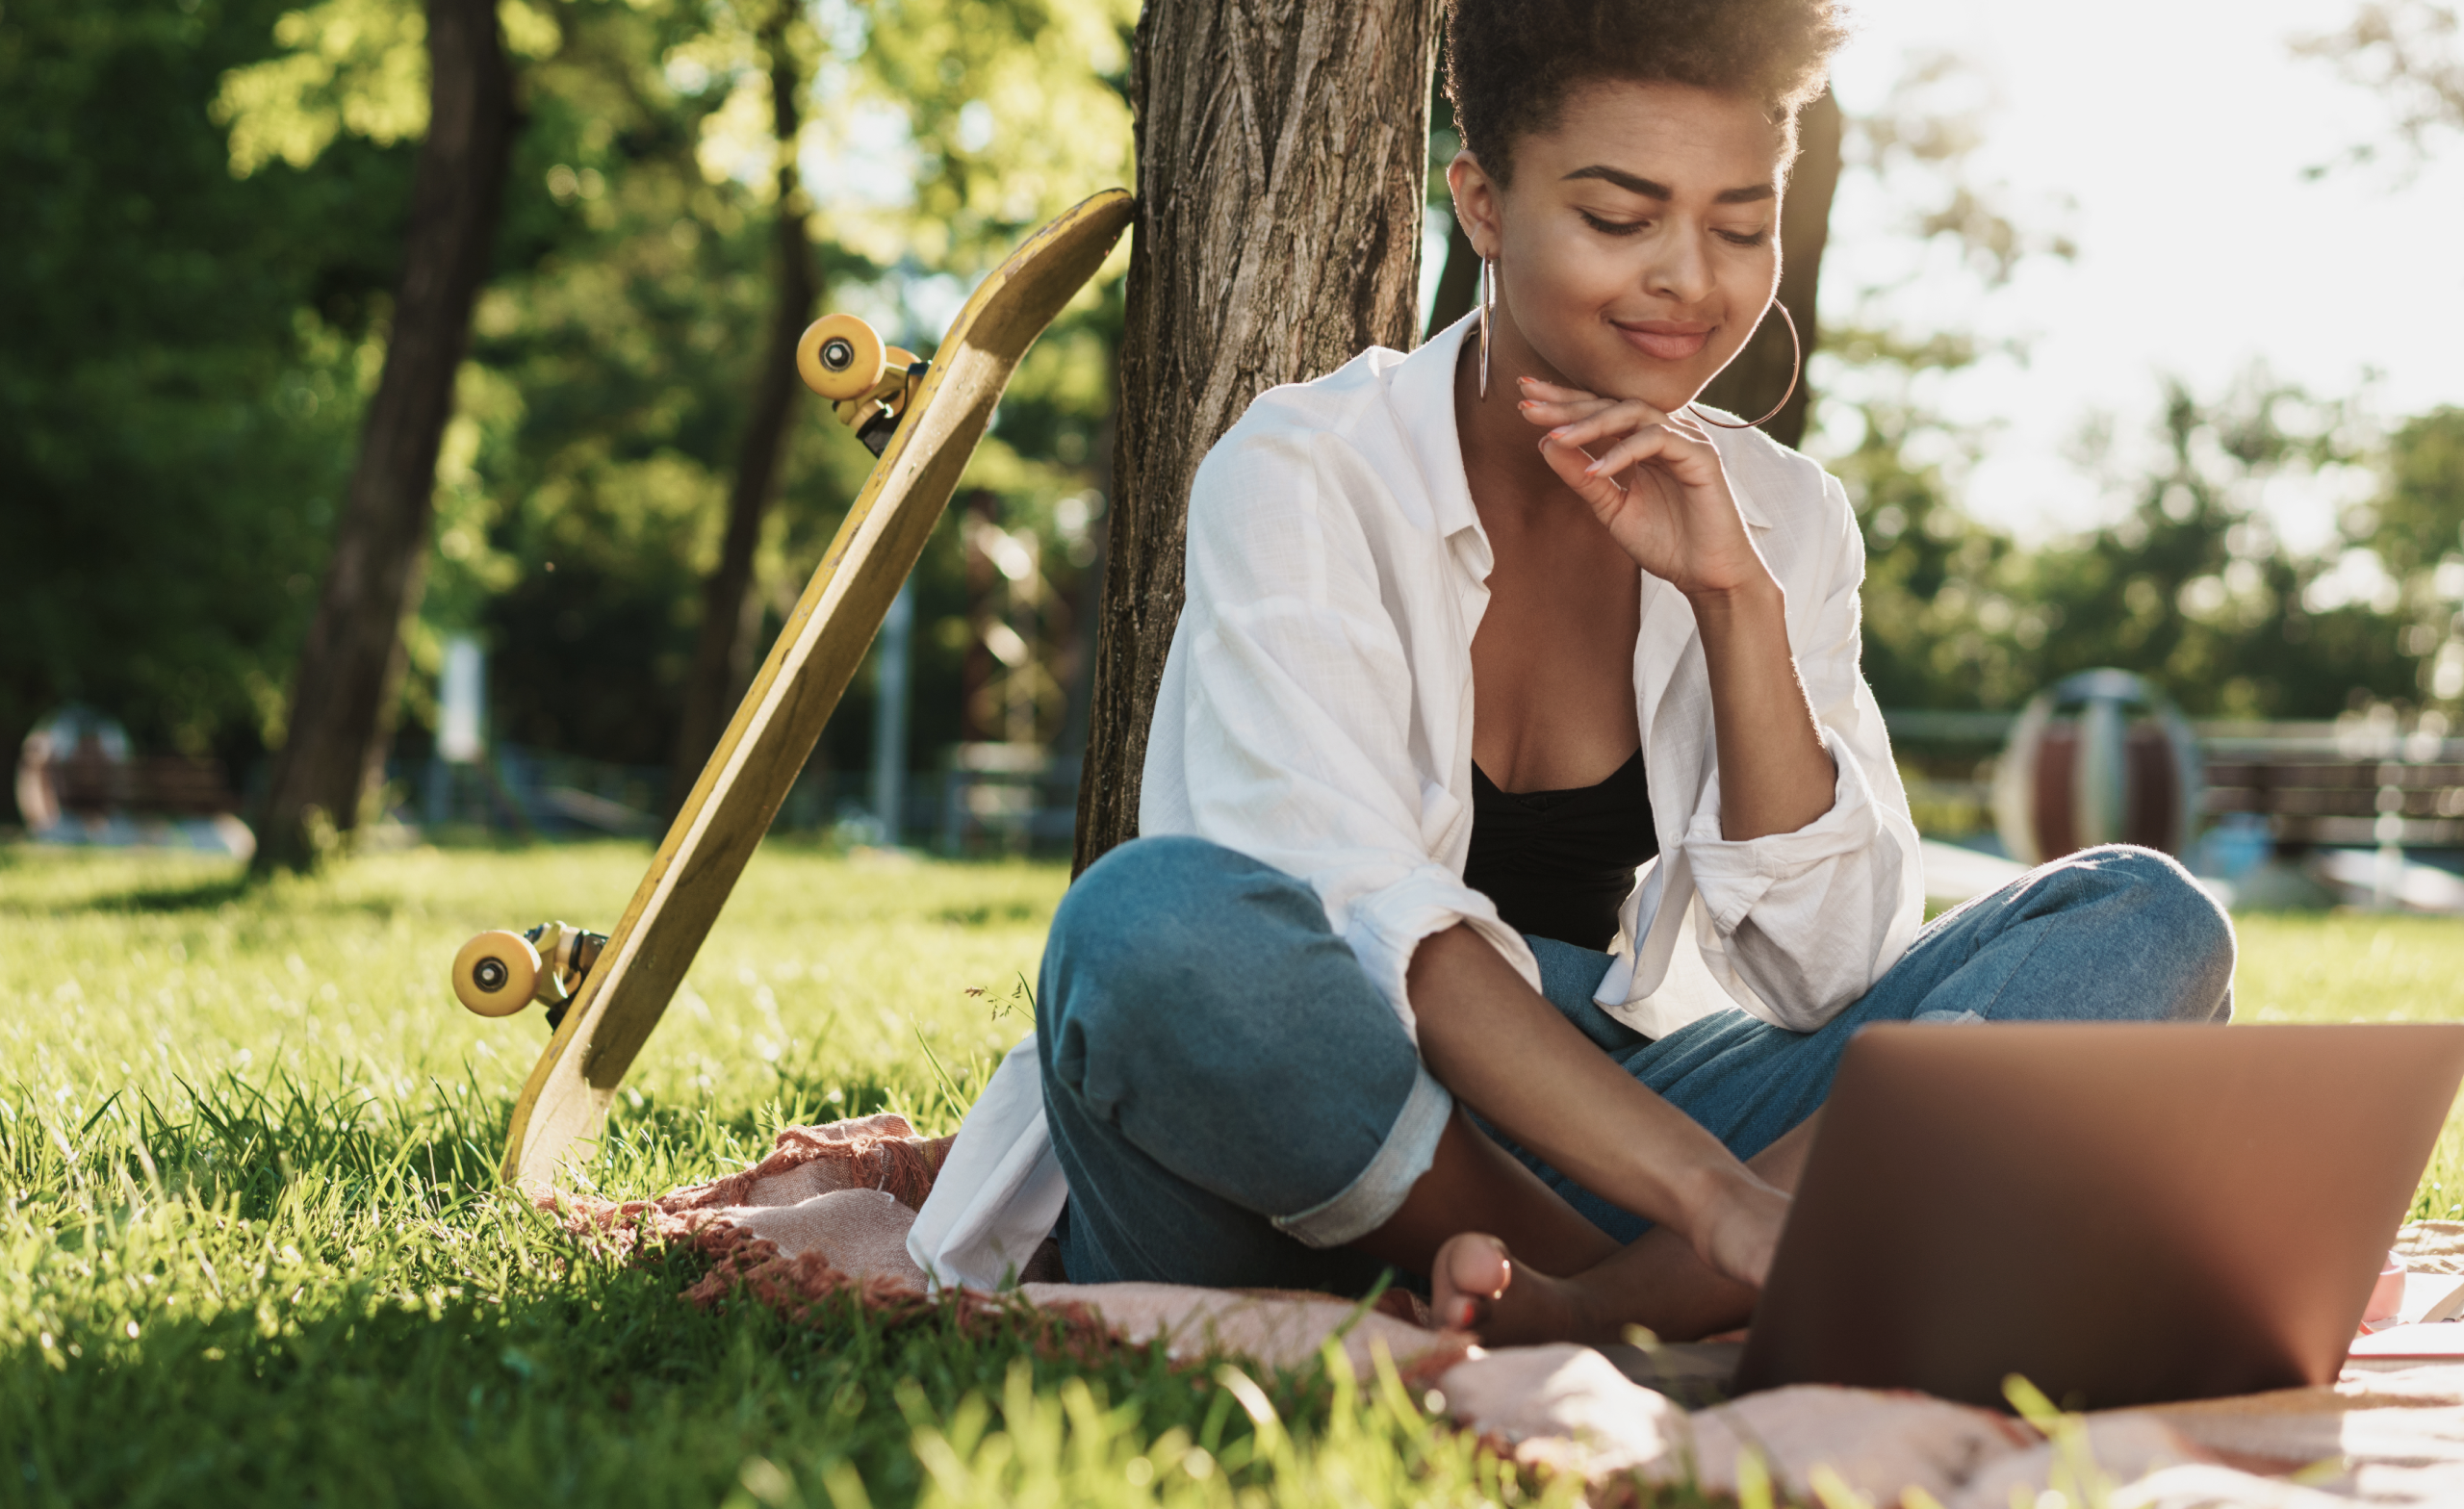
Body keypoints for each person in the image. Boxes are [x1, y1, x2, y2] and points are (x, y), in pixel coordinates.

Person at [908, 0, 2236, 1346]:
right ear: (1481, 203)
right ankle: (1682, 1298)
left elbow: (1829, 980)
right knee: (1146, 932)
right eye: (1619, 219)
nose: (1690, 280)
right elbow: (1365, 922)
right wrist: (1714, 1200)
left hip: (1622, 1116)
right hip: (1295, 1132)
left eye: (1739, 225)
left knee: (2145, 921)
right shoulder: (1309, 468)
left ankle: (1605, 1306)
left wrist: (1734, 602)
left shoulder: (1782, 514)